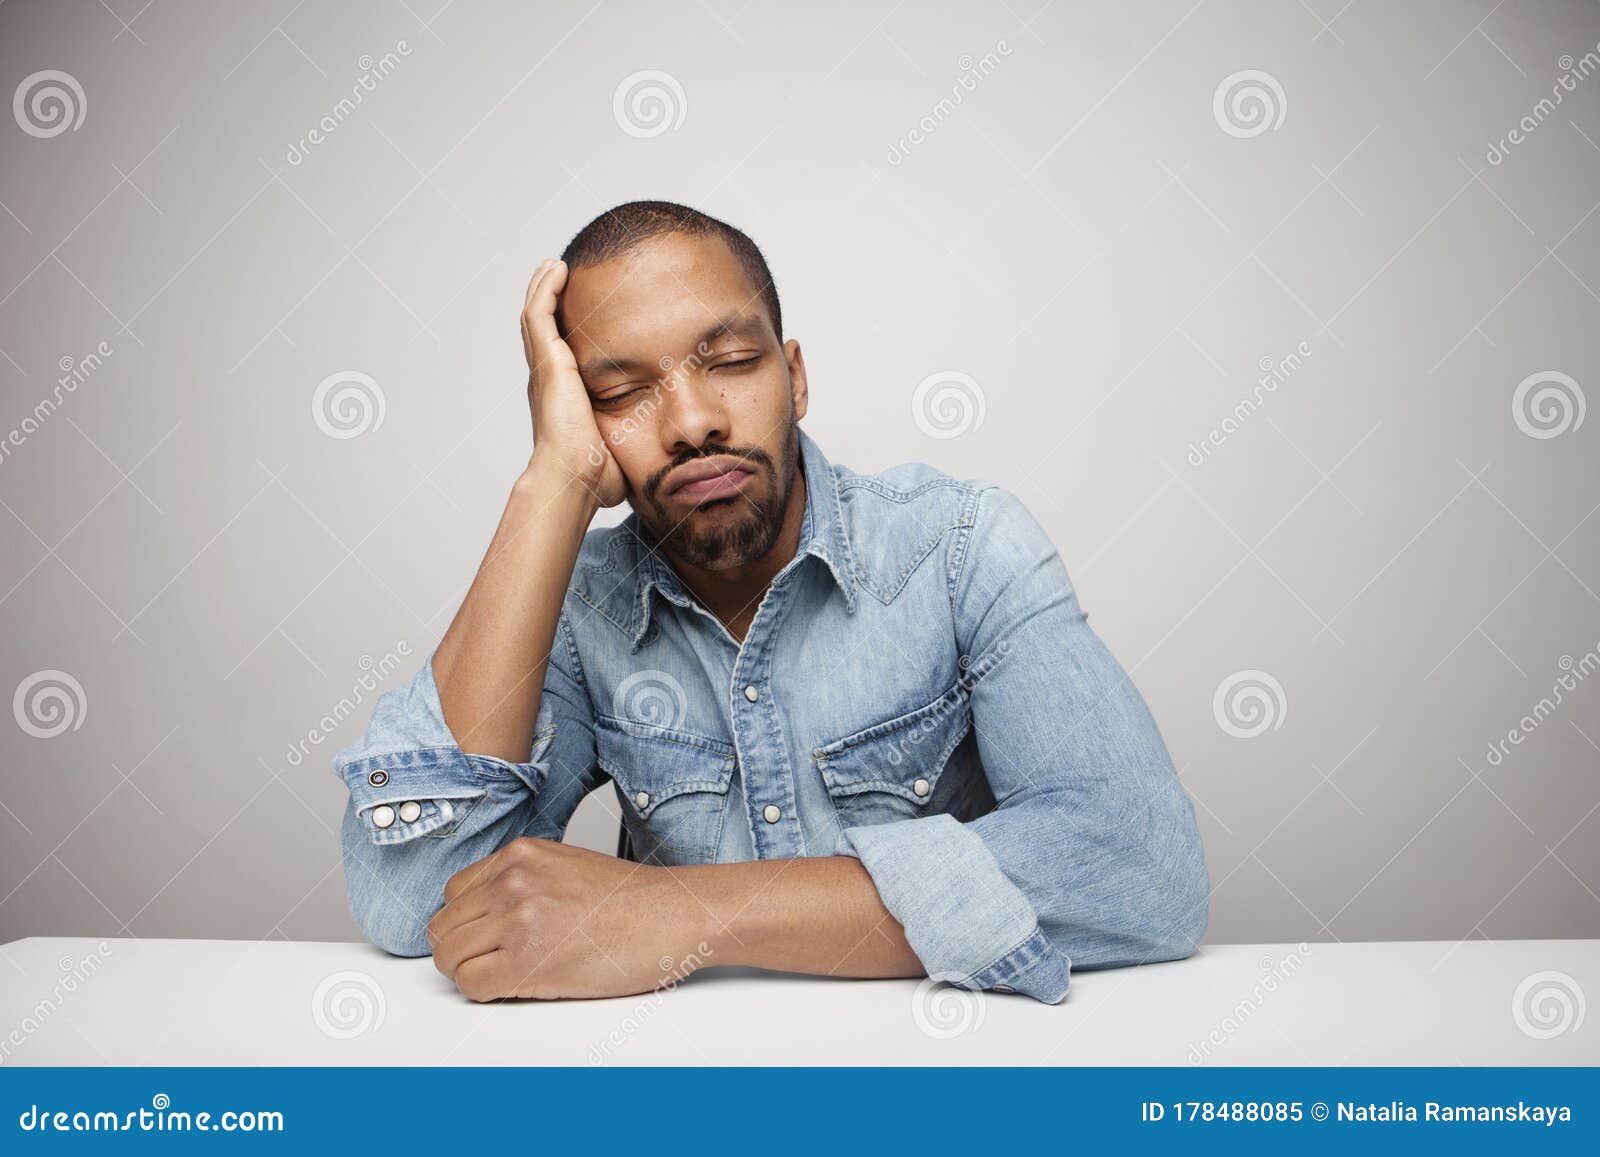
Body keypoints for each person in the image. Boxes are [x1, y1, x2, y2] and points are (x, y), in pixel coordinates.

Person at [333, 200, 1208, 1004]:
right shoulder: (577, 606)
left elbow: (1140, 869)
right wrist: (550, 483)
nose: (691, 420)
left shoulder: (962, 547)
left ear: (793, 378)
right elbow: (415, 900)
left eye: (732, 361)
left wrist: (678, 912)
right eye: (621, 393)